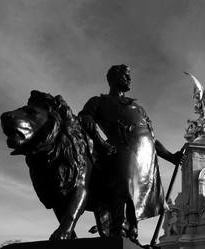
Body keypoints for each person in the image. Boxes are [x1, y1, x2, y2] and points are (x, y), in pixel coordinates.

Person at [78, 64, 183, 240]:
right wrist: (94, 131)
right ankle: (118, 228)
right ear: (113, 78)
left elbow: (152, 138)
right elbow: (84, 117)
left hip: (145, 158)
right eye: (125, 75)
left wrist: (171, 157)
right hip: (120, 146)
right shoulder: (99, 101)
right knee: (124, 185)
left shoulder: (138, 108)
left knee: (137, 195)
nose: (129, 79)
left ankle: (131, 233)